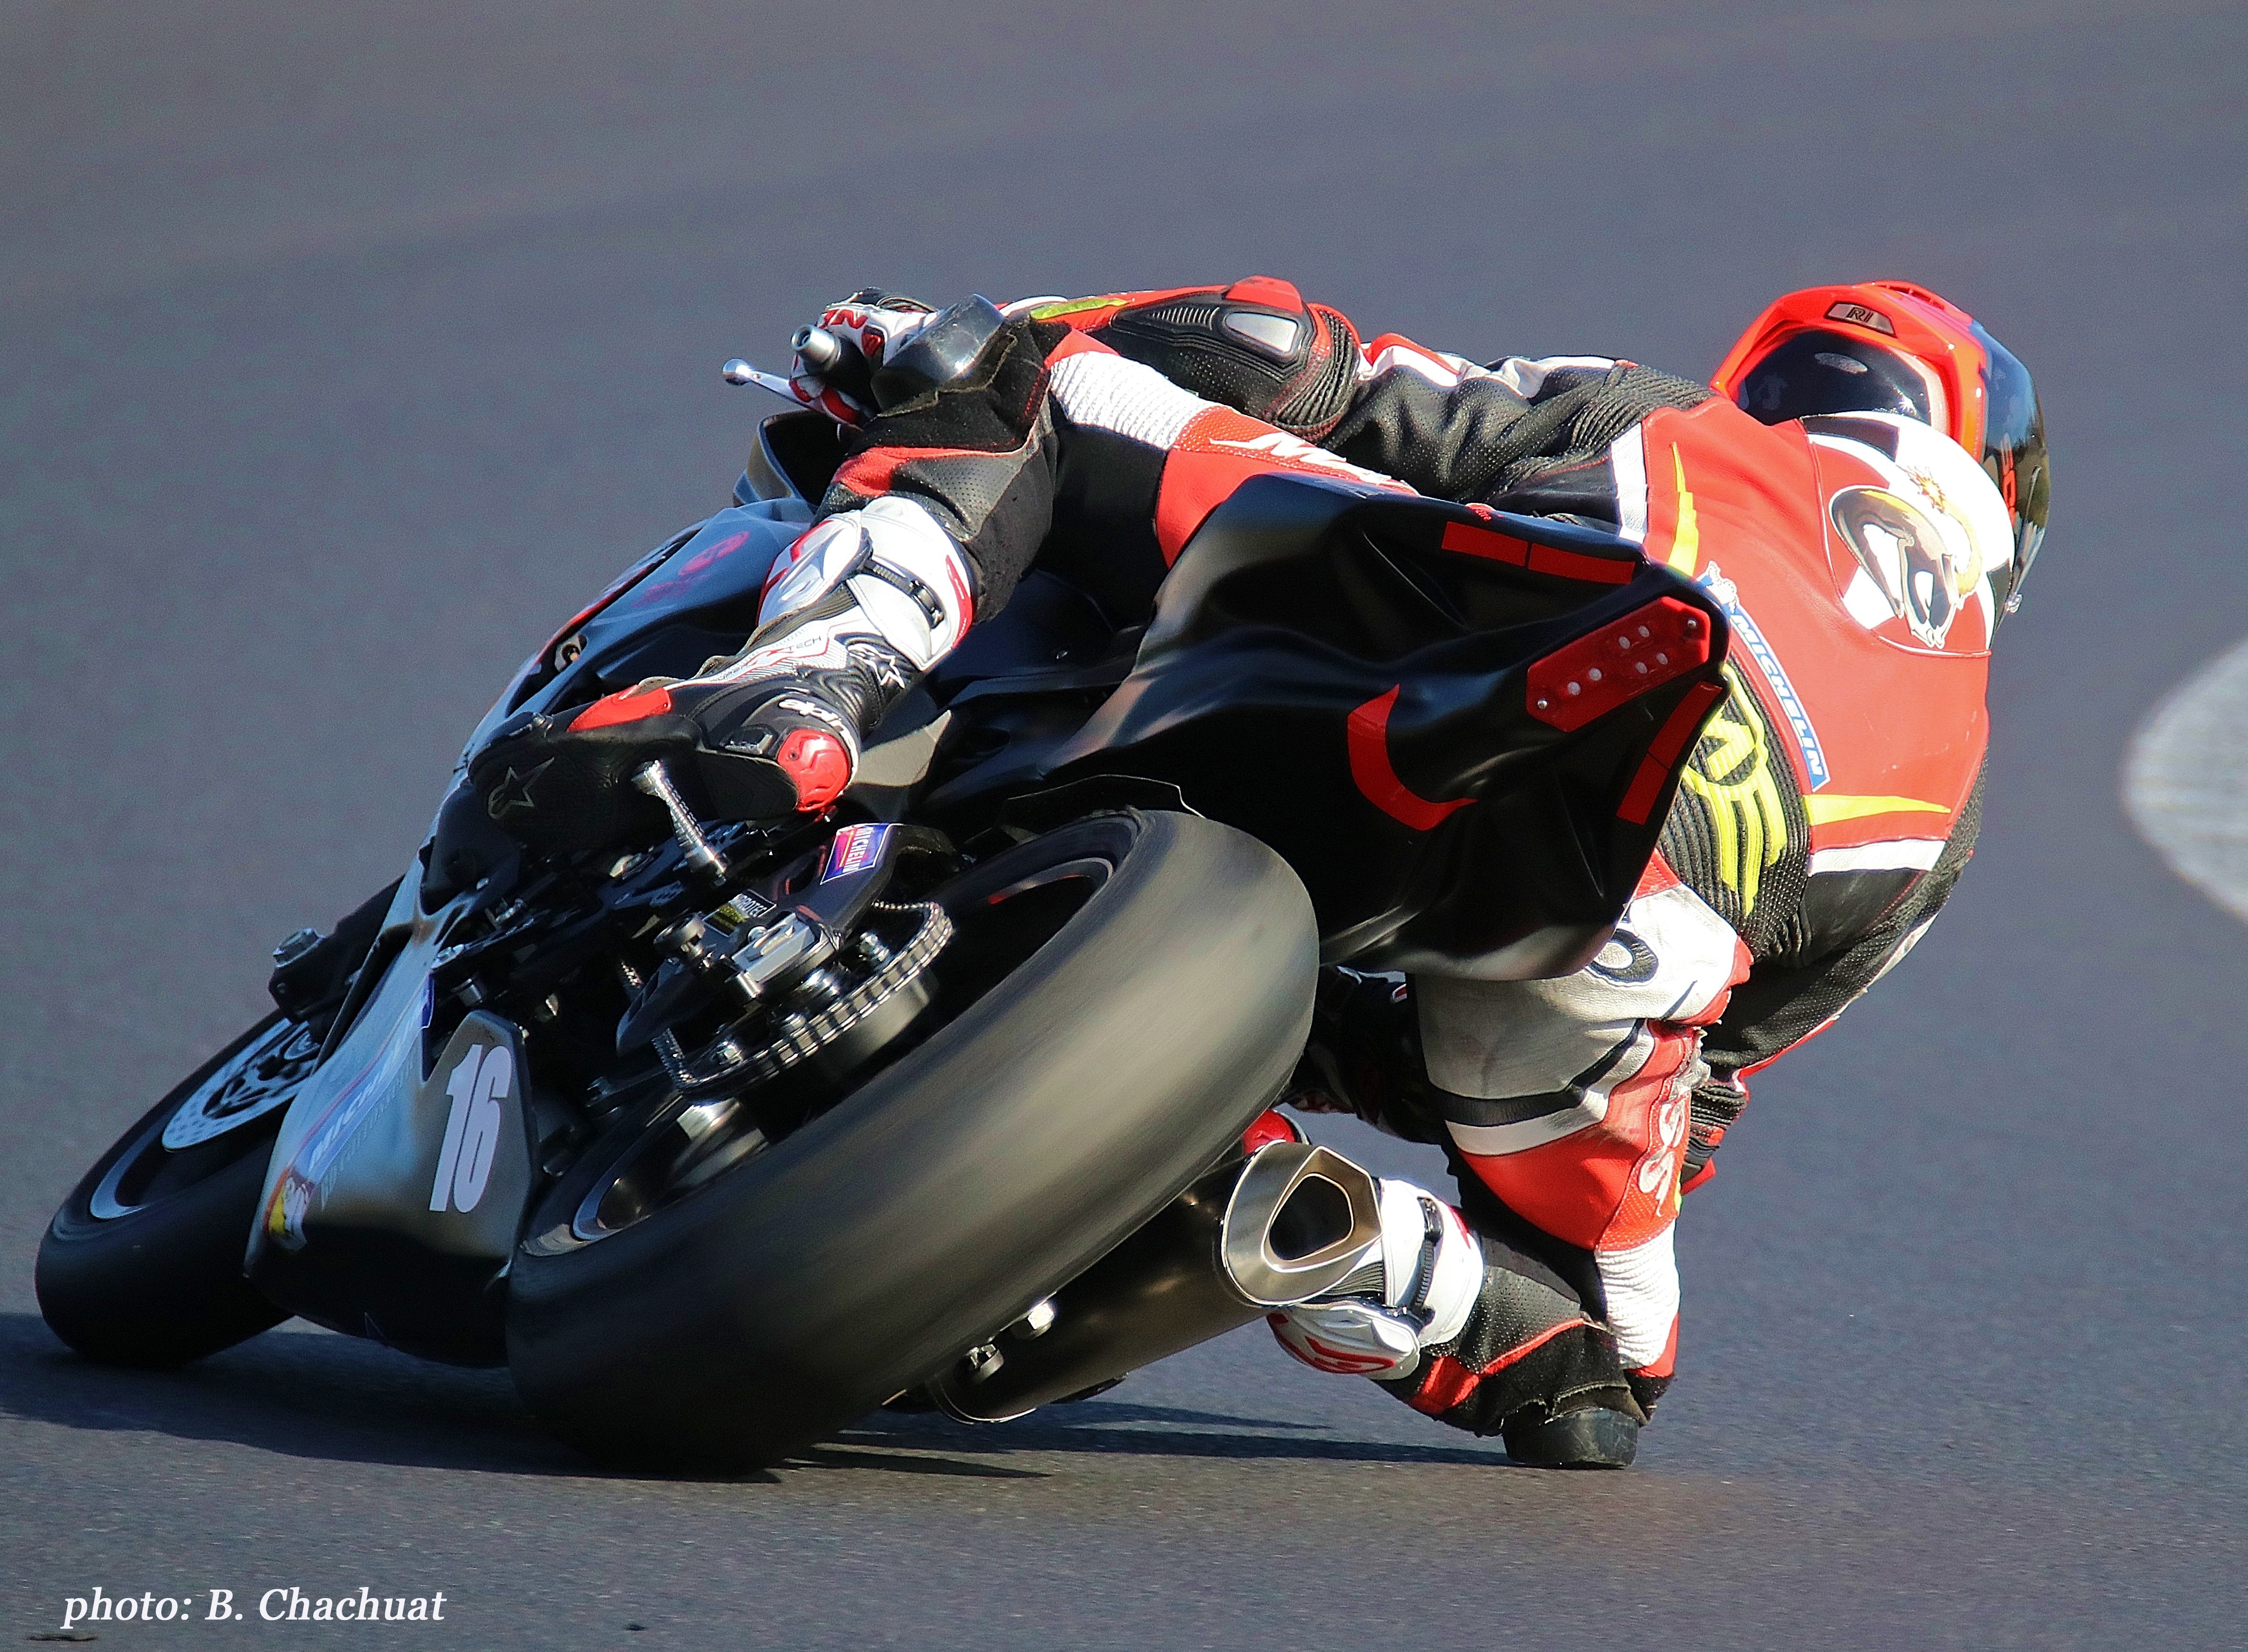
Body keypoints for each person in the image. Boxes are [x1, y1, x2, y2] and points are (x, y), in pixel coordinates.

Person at [469, 274, 2048, 1468]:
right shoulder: (1958, 805)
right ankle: (1359, 1247)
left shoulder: (1678, 424)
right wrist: (1412, 1064)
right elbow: (1719, 1072)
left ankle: (822, 678)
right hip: (1621, 938)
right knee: (1603, 1374)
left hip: (1494, 640)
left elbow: (1291, 355)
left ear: (1797, 385)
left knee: (1031, 382)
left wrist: (976, 333)